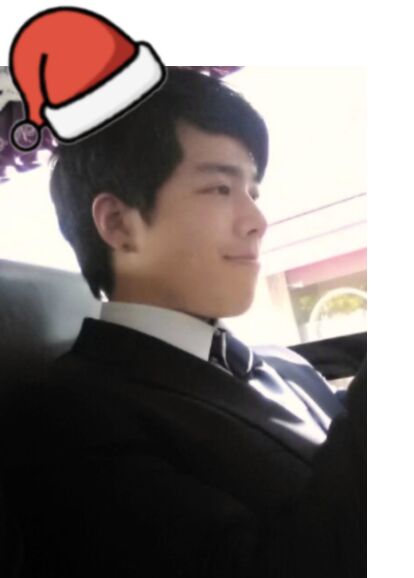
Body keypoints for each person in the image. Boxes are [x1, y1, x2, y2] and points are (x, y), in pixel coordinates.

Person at [0, 68, 365, 577]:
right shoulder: (64, 419)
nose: (257, 221)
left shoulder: (285, 365)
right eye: (220, 188)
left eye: (253, 192)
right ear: (119, 224)